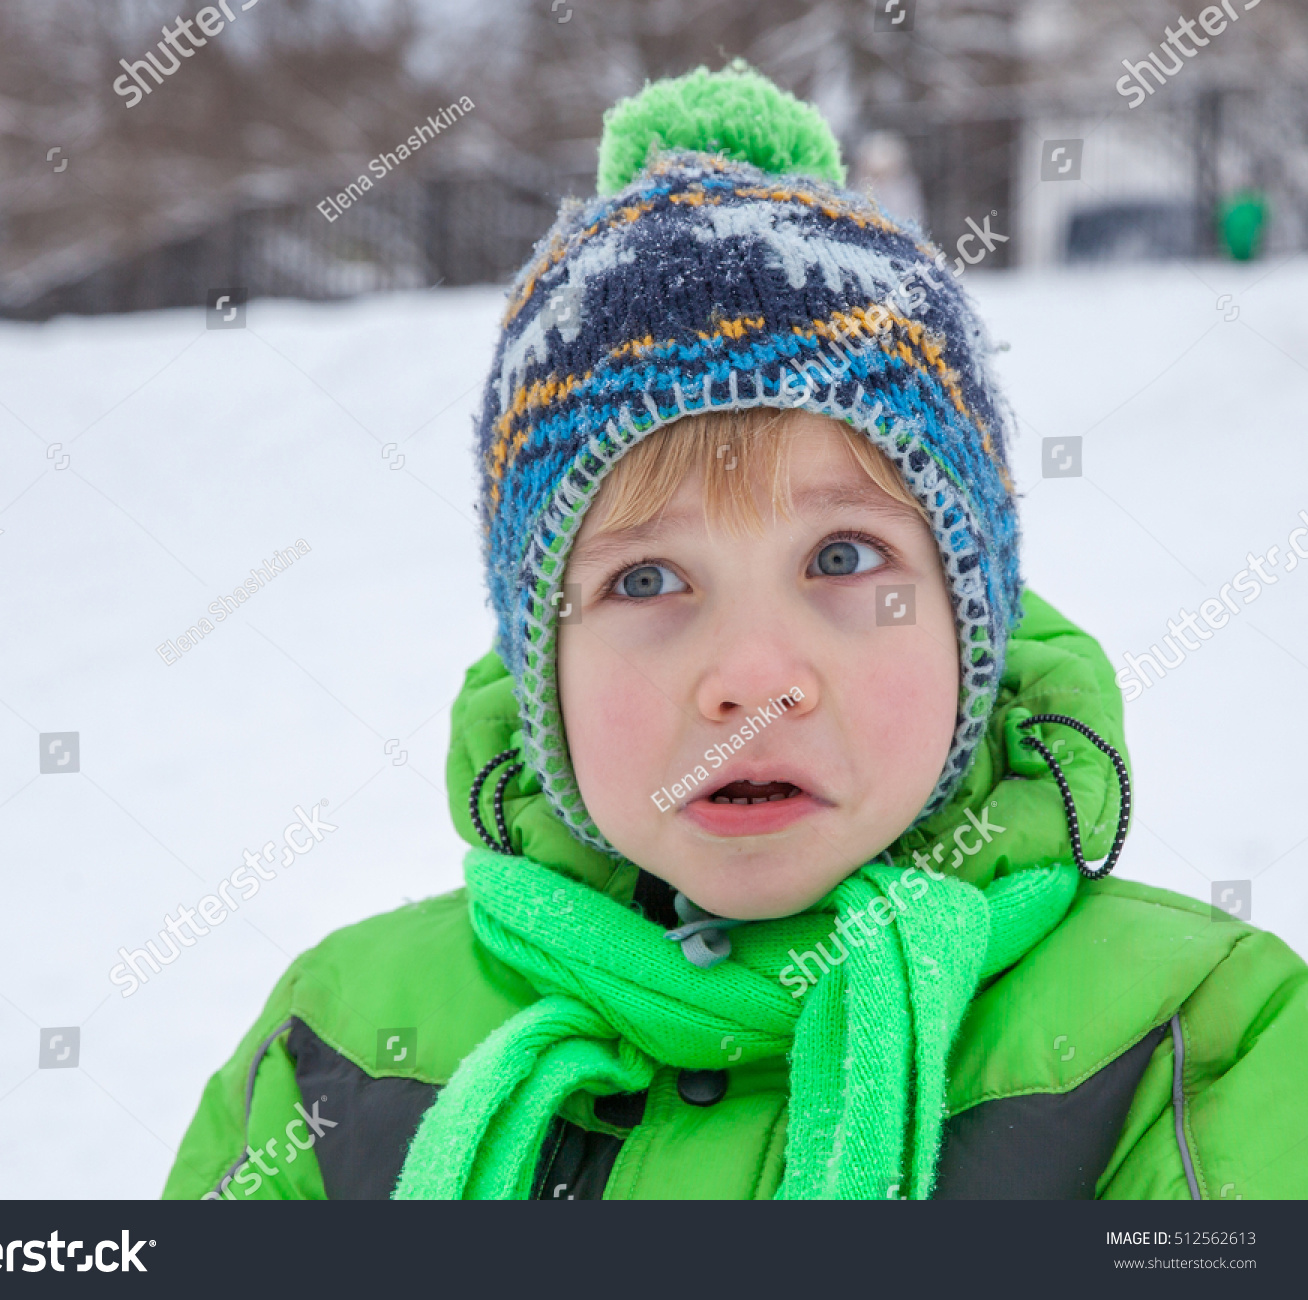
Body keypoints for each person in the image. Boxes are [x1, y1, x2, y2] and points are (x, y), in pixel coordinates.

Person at [163, 62, 1307, 1201]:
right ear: (538, 664)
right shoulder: (338, 1057)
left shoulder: (1198, 1043)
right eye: (649, 577)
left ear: (973, 625)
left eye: (844, 559)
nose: (753, 680)